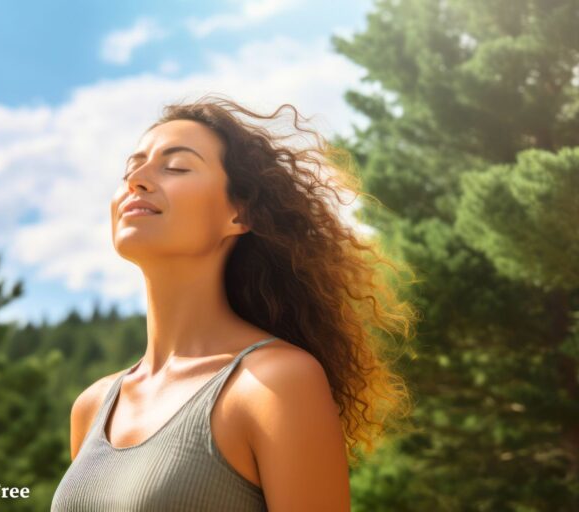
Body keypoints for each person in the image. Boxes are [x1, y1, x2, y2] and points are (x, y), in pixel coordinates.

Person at [51, 94, 417, 511]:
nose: (138, 179)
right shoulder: (93, 406)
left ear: (239, 215)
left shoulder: (276, 381)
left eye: (176, 167)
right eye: (130, 168)